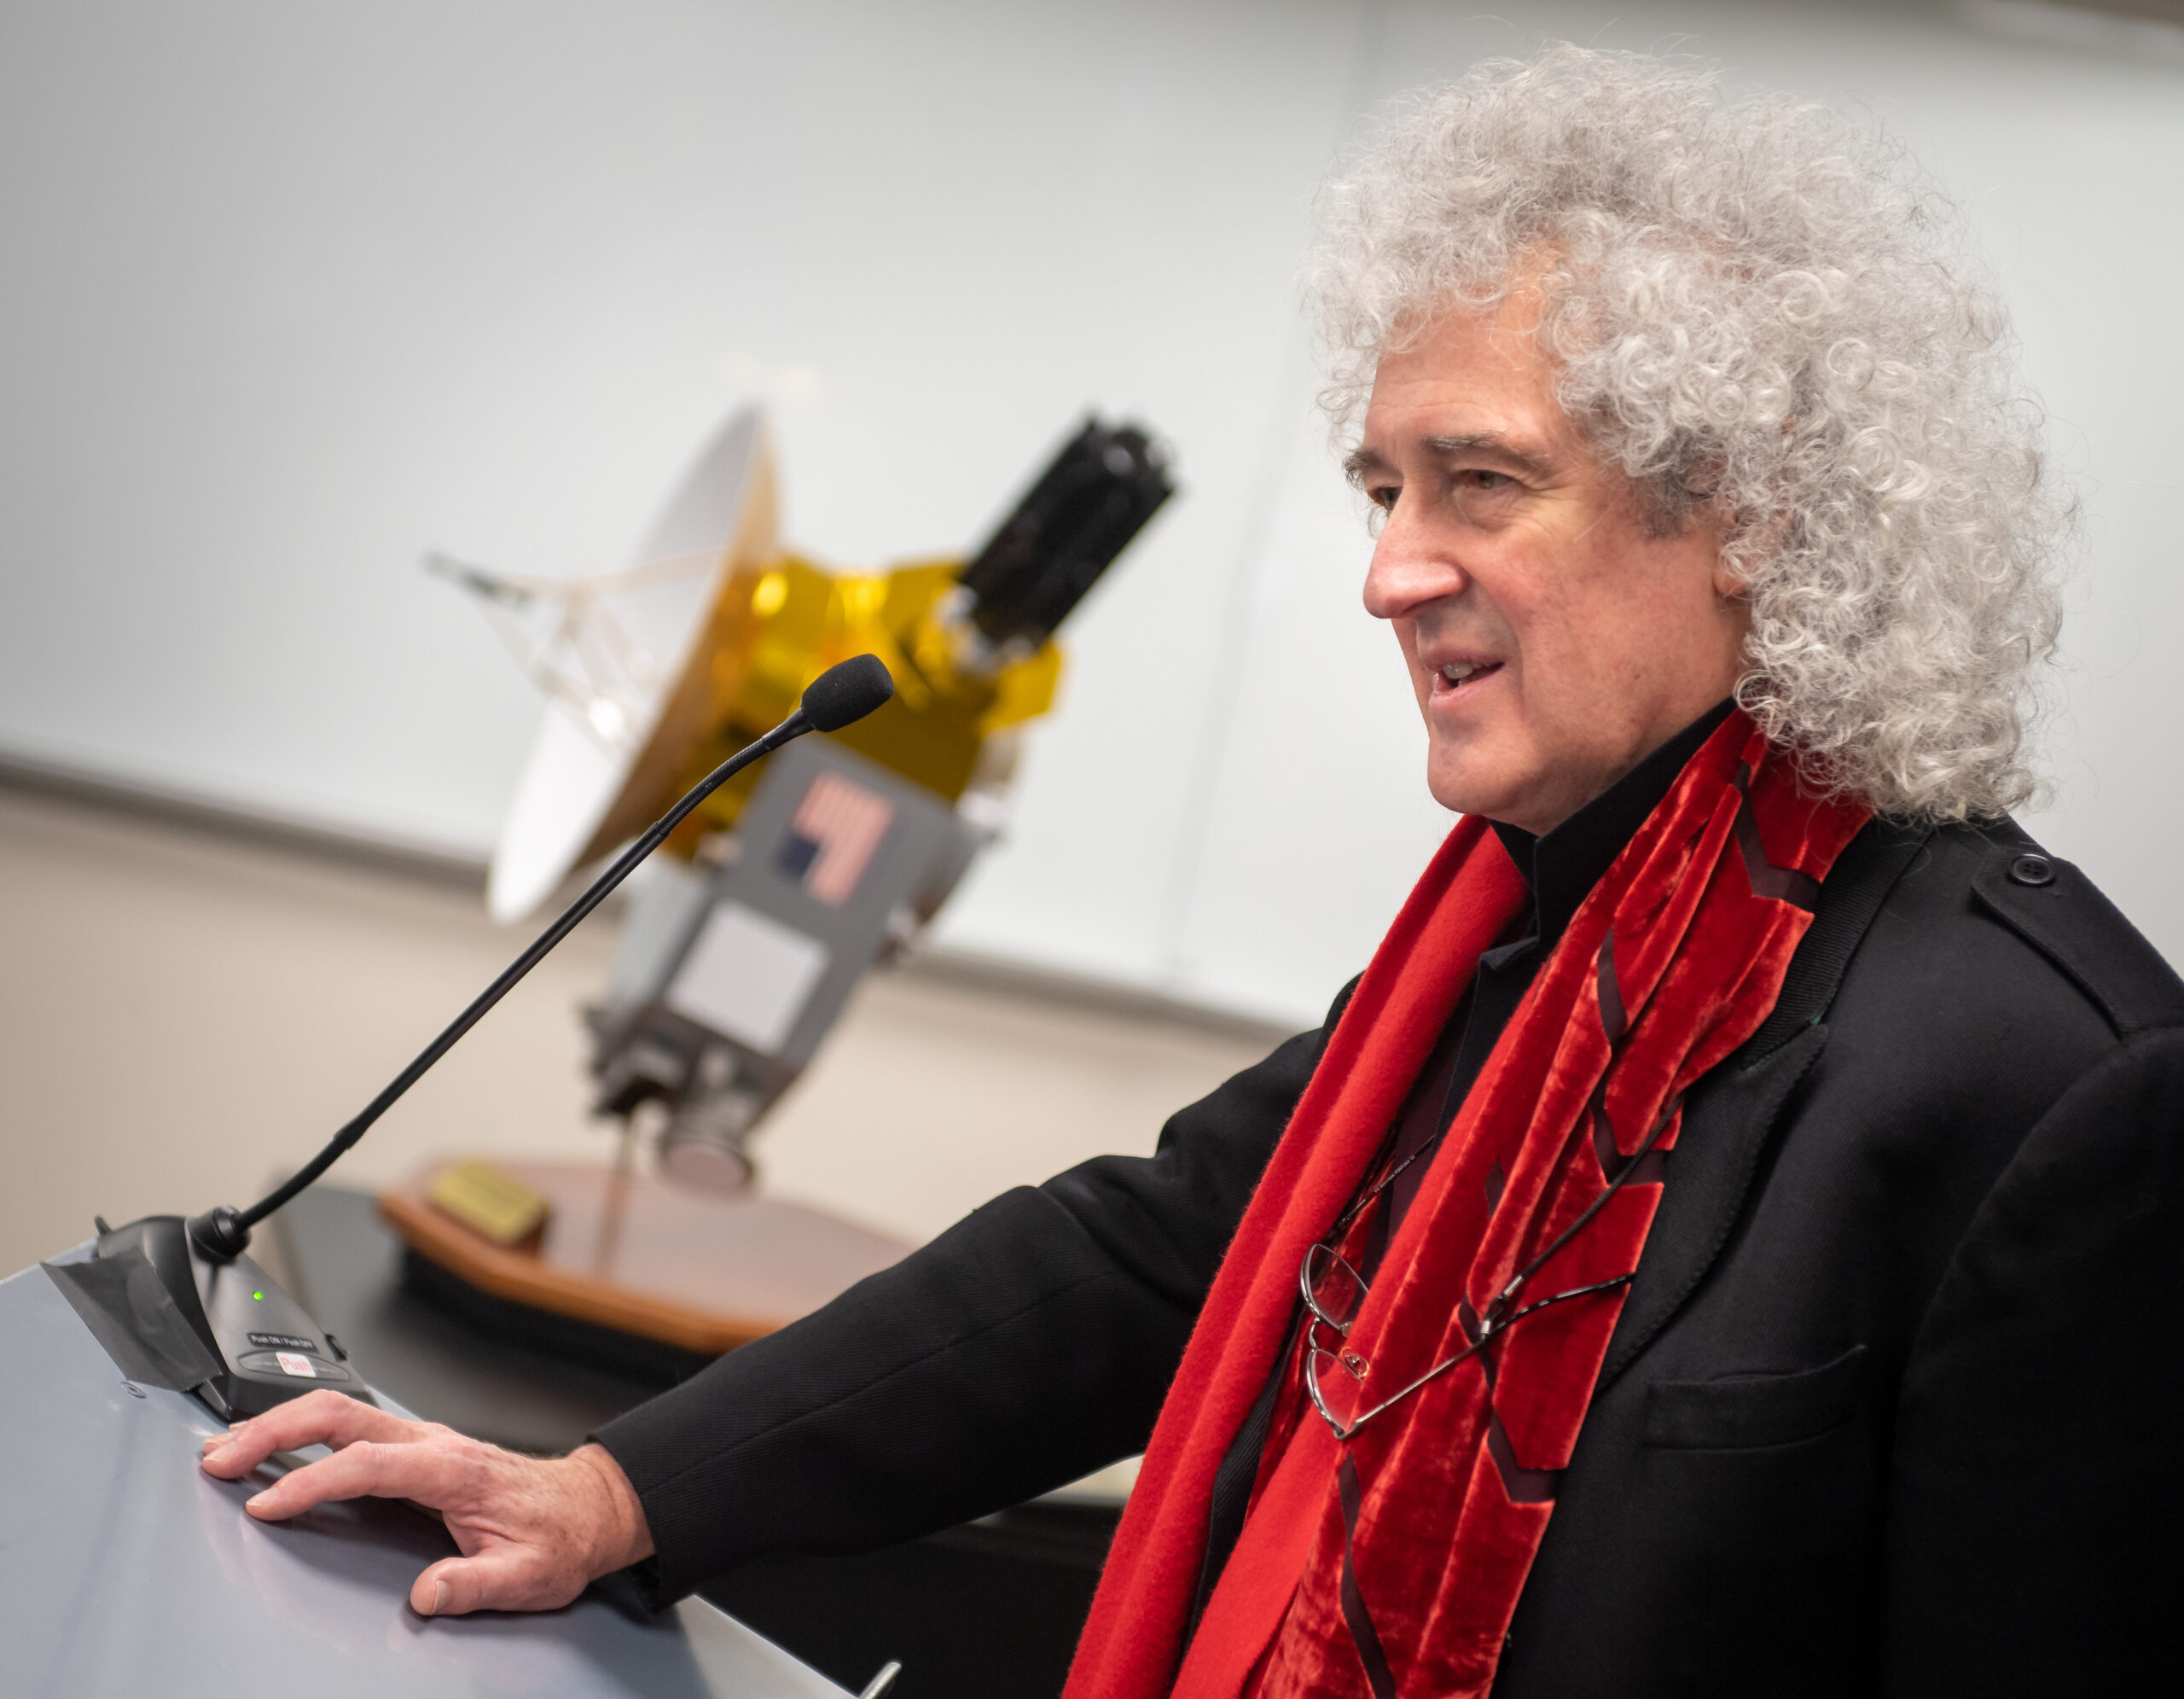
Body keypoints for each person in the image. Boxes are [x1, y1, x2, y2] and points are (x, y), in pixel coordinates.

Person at [204, 46, 2183, 1696]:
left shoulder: (2055, 1084)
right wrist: (612, 1497)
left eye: (1480, 483)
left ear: (1744, 516)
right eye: (1382, 487)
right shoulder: (1530, 927)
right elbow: (1148, 1258)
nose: (1387, 570)